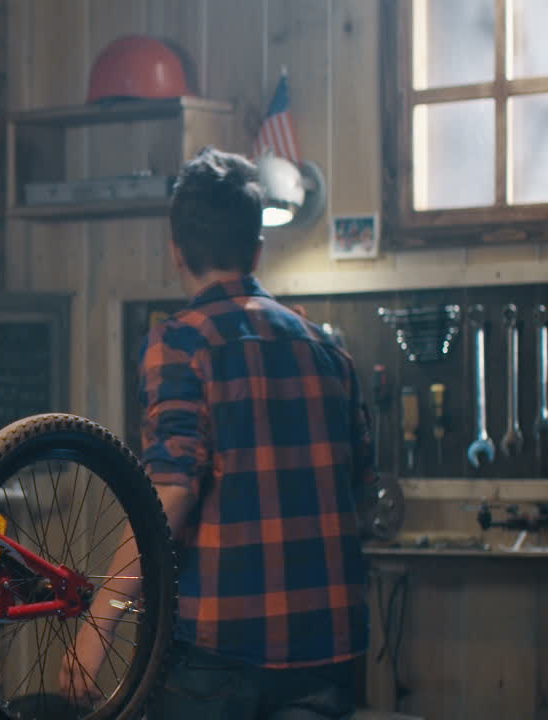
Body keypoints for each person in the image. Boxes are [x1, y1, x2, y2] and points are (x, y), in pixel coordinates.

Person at [60, 147, 376, 718]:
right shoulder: (330, 349)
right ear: (258, 246)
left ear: (176, 250)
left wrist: (100, 618)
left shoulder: (180, 342)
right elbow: (361, 489)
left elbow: (172, 491)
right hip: (328, 646)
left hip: (220, 651)